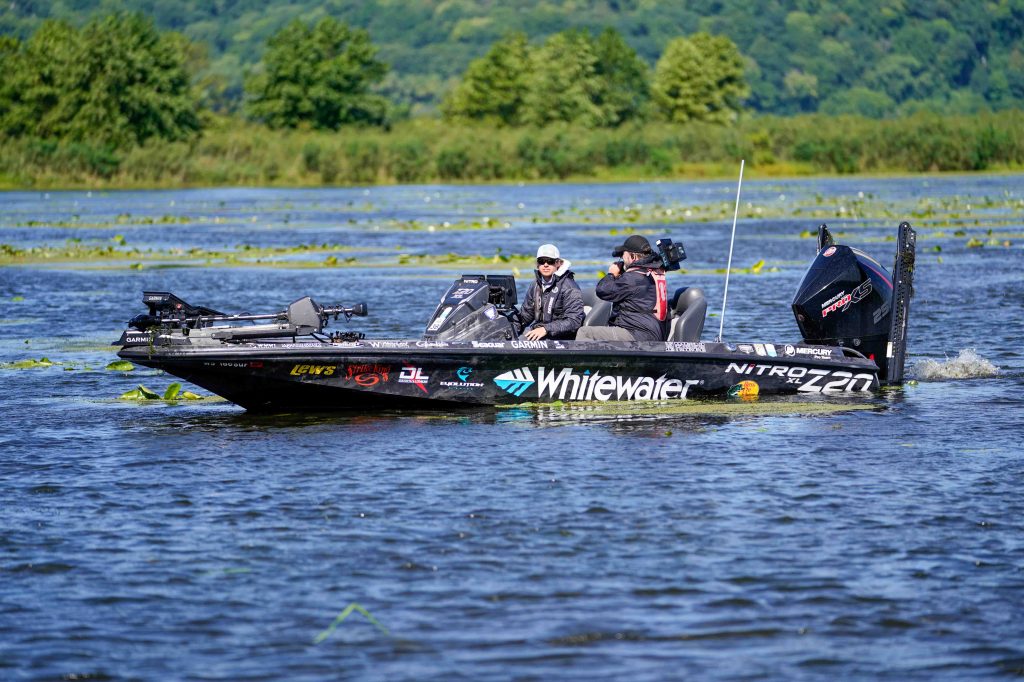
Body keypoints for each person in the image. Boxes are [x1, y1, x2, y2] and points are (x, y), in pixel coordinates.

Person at [576, 234, 670, 342]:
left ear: (633, 257)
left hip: (638, 334)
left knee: (585, 333)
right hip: (652, 331)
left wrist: (611, 274)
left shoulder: (633, 278)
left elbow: (603, 291)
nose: (621, 260)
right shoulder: (654, 271)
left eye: (623, 256)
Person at [517, 244, 584, 341]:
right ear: (537, 264)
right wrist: (510, 324)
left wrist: (546, 329)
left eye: (550, 261)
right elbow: (525, 316)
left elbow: (574, 321)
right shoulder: (535, 285)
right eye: (541, 261)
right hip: (540, 332)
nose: (545, 265)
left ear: (558, 263)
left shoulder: (570, 287)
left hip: (562, 338)